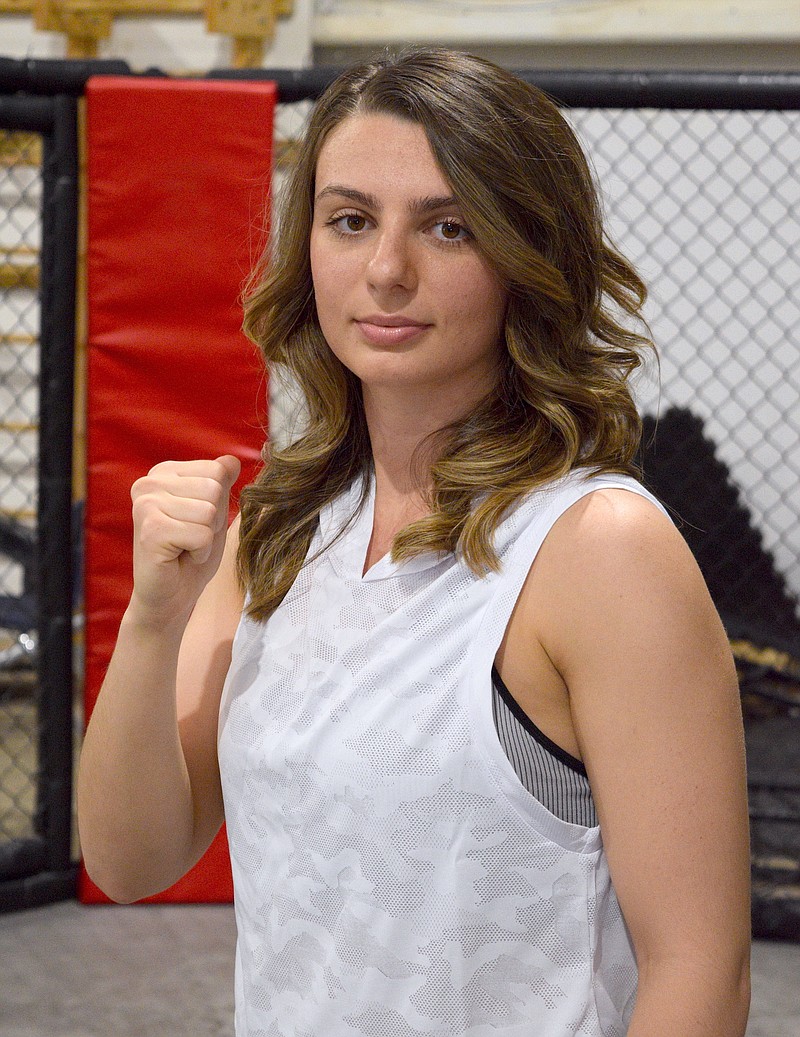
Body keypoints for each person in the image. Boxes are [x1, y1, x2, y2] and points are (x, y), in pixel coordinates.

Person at [78, 47, 751, 1037]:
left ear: (527, 253)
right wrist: (150, 619)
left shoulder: (593, 548)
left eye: (447, 226)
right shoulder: (278, 527)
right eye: (350, 220)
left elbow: (697, 968)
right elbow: (130, 859)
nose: (387, 270)